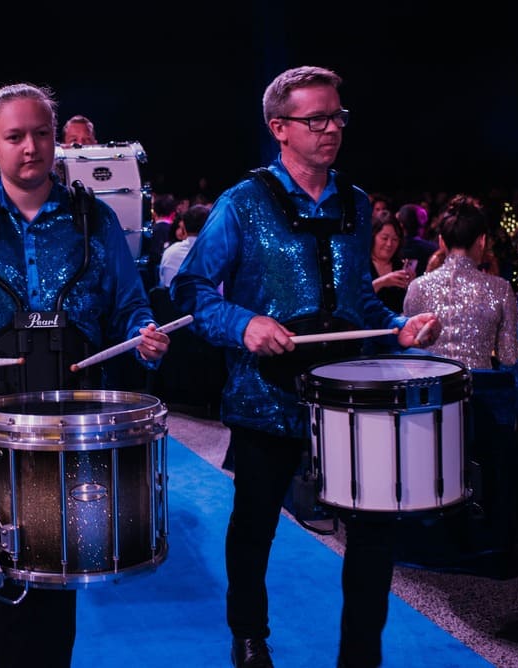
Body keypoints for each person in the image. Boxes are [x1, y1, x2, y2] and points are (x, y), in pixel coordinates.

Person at [0, 82, 170, 668]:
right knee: (8, 567)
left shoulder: (93, 218)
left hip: (72, 423)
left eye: (42, 133)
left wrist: (143, 336)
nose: (31, 147)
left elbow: (130, 303)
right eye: (15, 136)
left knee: (59, 563)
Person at [170, 66, 439, 668]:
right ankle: (248, 635)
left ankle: (360, 655)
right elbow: (190, 290)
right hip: (266, 394)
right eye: (315, 118)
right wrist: (244, 324)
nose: (331, 129)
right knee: (256, 521)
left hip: (350, 393)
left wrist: (399, 327)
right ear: (279, 129)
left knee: (372, 529)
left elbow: (357, 300)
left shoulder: (357, 200)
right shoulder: (243, 202)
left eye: (337, 116)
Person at [403, 194, 517, 370]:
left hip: (430, 392)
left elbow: (409, 351)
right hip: (478, 392)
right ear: (482, 241)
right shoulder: (501, 289)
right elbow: (508, 356)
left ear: (441, 242)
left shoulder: (417, 286)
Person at [369, 209, 411, 313]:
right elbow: (355, 300)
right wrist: (382, 282)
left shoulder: (401, 267)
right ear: (373, 237)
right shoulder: (360, 265)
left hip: (396, 327)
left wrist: (412, 286)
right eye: (384, 238)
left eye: (395, 240)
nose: (389, 244)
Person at [158, 203, 208, 288]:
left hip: (171, 299)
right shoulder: (218, 253)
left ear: (183, 228)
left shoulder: (170, 252)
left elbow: (163, 283)